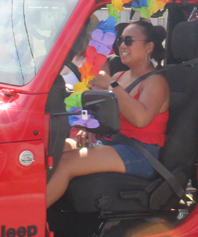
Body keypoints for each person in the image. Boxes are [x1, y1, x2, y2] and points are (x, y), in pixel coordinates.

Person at [46, 21, 170, 208]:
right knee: (50, 150)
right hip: (111, 142)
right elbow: (102, 111)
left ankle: (28, 223)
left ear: (149, 47)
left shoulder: (156, 82)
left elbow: (140, 119)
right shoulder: (120, 76)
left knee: (65, 163)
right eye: (120, 40)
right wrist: (90, 128)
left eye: (129, 40)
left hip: (140, 152)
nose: (121, 46)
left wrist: (112, 85)